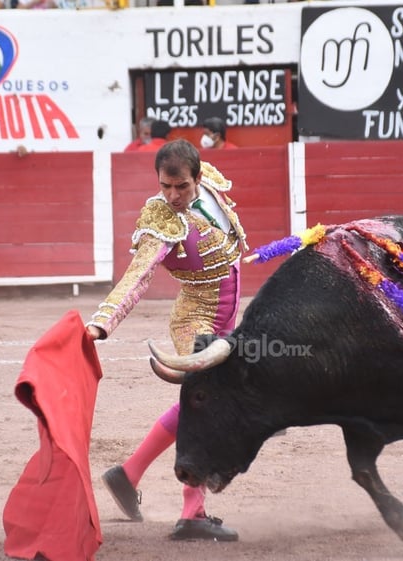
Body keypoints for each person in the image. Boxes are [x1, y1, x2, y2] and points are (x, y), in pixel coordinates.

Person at [86, 139, 247, 542]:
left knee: (206, 402)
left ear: (197, 176)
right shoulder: (160, 220)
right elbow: (136, 276)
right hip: (197, 318)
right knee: (201, 406)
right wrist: (101, 324)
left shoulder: (208, 184)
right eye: (165, 187)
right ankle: (192, 514)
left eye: (181, 187)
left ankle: (128, 474)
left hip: (226, 315)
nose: (172, 196)